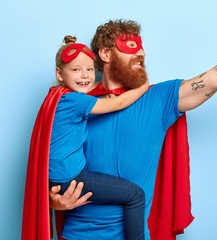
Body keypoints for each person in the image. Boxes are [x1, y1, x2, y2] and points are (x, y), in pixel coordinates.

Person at [46, 20, 217, 240]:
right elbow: (48, 167)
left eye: (142, 47)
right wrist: (51, 201)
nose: (142, 54)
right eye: (131, 46)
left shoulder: (158, 99)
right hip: (76, 234)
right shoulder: (74, 105)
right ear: (105, 54)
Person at [23, 36, 150, 240]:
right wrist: (142, 87)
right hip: (72, 179)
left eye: (90, 69)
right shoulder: (75, 101)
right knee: (136, 195)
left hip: (55, 179)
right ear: (59, 74)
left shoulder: (56, 96)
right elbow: (117, 104)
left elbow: (90, 89)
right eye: (76, 70)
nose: (85, 76)